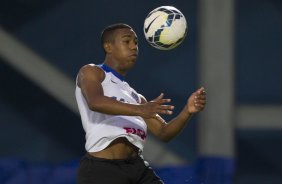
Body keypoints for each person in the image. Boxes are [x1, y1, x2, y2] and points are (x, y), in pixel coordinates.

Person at [75, 23, 206, 184]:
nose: (134, 47)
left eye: (136, 42)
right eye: (127, 41)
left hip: (137, 169)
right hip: (103, 170)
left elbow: (164, 132)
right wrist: (141, 110)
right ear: (108, 47)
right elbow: (95, 102)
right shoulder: (92, 72)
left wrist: (188, 110)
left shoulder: (136, 97)